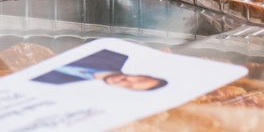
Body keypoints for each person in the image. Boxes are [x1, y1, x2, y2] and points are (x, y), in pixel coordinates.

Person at [33, 47, 170, 92]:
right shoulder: (113, 55)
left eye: (130, 86)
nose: (126, 81)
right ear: (142, 74)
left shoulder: (64, 89)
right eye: (140, 79)